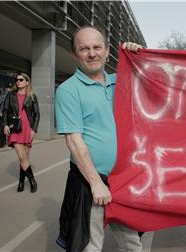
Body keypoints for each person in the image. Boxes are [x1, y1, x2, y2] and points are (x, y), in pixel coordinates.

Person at [55, 25, 143, 252]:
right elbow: (74, 141)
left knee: (132, 245)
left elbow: (154, 83)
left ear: (106, 50)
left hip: (123, 182)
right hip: (91, 184)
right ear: (75, 54)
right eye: (84, 48)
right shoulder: (68, 90)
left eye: (97, 47)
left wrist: (139, 55)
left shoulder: (122, 81)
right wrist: (96, 184)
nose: (92, 53)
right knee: (90, 247)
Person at [2, 73, 40, 193]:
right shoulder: (11, 95)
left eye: (21, 79)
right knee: (21, 156)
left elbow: (37, 115)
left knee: (26, 157)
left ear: (27, 82)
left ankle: (21, 182)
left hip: (28, 128)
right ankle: (32, 180)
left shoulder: (32, 96)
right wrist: (5, 124)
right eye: (16, 80)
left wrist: (33, 130)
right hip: (15, 128)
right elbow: (5, 110)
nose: (18, 81)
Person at [0, 82, 14, 148]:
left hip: (11, 115)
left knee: (12, 129)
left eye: (10, 88)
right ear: (6, 89)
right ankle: (2, 143)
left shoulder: (14, 97)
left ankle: (11, 143)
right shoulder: (2, 97)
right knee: (3, 129)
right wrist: (0, 113)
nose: (9, 89)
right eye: (8, 88)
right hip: (3, 115)